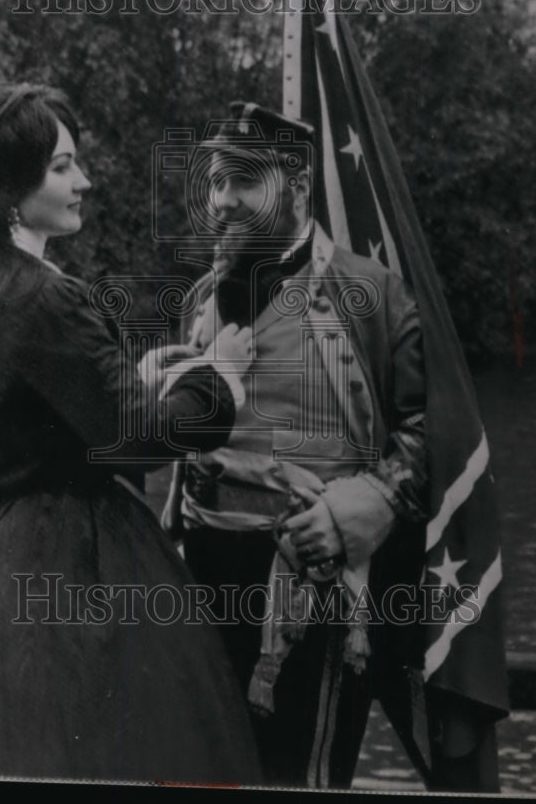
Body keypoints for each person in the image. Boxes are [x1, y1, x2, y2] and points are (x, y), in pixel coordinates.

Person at [0, 82, 262, 783]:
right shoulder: (47, 296)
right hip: (79, 560)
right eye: (62, 166)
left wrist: (139, 375)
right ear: (10, 187)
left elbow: (40, 417)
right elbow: (132, 437)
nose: (85, 181)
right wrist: (214, 378)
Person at [161, 102, 431, 789]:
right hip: (201, 582)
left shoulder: (370, 292)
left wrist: (374, 499)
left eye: (243, 184)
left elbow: (435, 431)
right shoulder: (200, 295)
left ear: (298, 190)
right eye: (216, 184)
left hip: (310, 584)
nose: (221, 202)